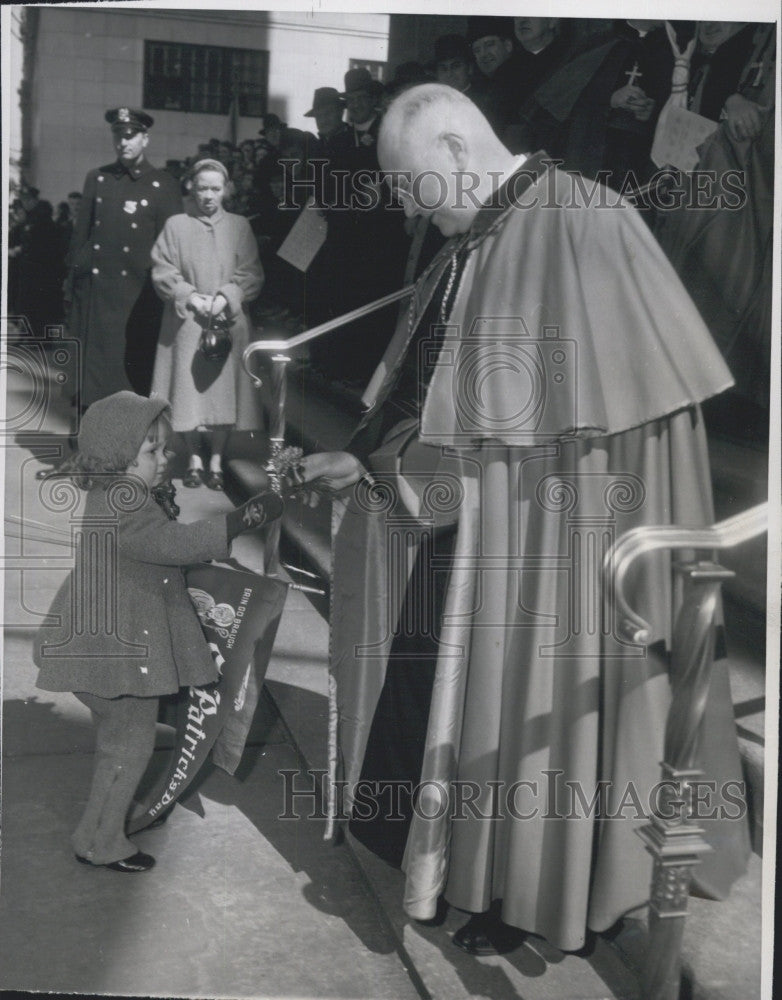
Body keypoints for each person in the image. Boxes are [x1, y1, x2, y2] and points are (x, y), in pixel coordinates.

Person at [292, 84, 749, 955]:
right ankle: (465, 865)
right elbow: (455, 398)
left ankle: (538, 891)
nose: (403, 205)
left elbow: (604, 428)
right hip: (487, 522)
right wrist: (371, 459)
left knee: (541, 716)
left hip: (567, 541)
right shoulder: (486, 234)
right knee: (440, 685)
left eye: (408, 183)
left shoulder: (586, 220)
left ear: (460, 150)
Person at [33, 391, 283, 872]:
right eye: (153, 451)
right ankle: (99, 839)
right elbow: (173, 543)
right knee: (127, 747)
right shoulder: (126, 505)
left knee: (122, 745)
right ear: (119, 458)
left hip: (108, 645)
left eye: (164, 448)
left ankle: (109, 814)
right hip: (116, 652)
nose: (166, 458)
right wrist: (239, 520)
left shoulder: (118, 493)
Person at [150, 159, 264, 491]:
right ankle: (194, 459)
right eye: (202, 188)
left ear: (226, 190)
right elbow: (162, 268)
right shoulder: (176, 225)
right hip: (187, 321)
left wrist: (227, 296)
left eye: (215, 188)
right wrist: (189, 295)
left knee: (223, 397)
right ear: (192, 188)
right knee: (187, 394)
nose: (209, 196)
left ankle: (216, 460)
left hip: (227, 320)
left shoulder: (240, 225)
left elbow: (251, 272)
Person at [66, 108, 182, 407]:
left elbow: (172, 246)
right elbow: (81, 237)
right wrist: (74, 282)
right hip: (97, 295)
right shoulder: (98, 179)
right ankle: (89, 445)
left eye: (130, 136)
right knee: (92, 376)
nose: (123, 142)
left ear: (145, 139)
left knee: (132, 375)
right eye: (118, 135)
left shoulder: (163, 184)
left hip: (139, 298)